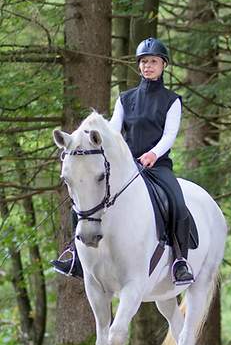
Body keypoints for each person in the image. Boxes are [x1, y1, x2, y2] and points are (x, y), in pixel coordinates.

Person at [52, 37, 194, 285]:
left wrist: (153, 154)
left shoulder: (172, 101)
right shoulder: (125, 99)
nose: (148, 66)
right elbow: (113, 132)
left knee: (177, 203)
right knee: (84, 197)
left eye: (153, 61)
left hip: (157, 166)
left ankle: (180, 261)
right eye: (144, 62)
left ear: (163, 65)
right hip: (127, 168)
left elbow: (170, 135)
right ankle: (74, 254)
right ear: (139, 66)